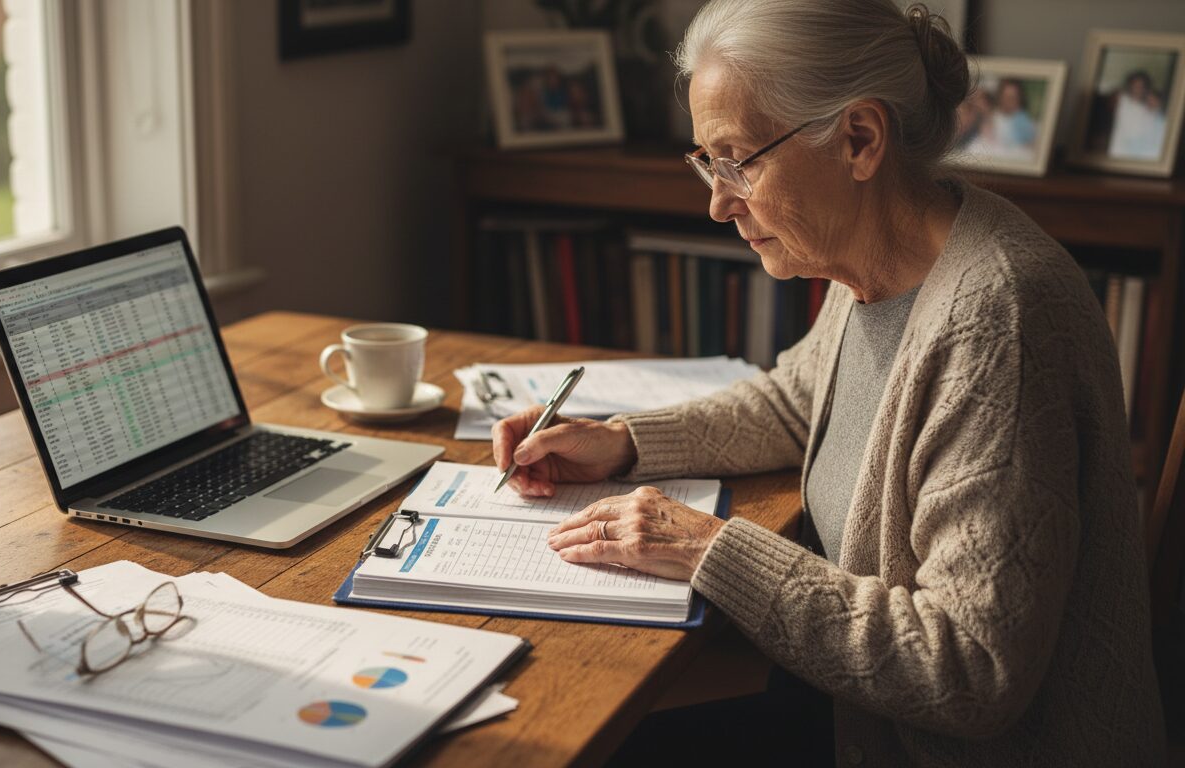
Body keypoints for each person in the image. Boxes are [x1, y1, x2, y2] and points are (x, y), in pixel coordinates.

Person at [493, 1, 1167, 765]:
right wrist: (620, 443)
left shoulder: (997, 320)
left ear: (860, 139)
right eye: (705, 162)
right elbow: (796, 400)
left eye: (737, 159)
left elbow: (971, 668)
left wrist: (711, 548)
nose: (718, 201)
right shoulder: (881, 254)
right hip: (844, 712)